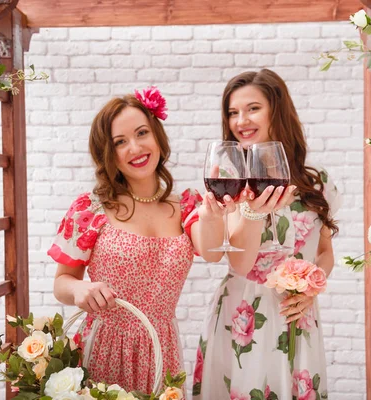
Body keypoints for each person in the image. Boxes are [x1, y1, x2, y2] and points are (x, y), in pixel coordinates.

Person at [48, 87, 232, 394]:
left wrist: (213, 214)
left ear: (157, 135)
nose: (135, 147)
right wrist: (80, 288)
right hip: (104, 345)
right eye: (120, 142)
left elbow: (212, 253)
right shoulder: (91, 209)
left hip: (163, 348)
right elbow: (62, 283)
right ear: (109, 153)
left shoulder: (185, 206)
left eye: (142, 133)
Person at [191, 69, 342, 399]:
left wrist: (311, 290)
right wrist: (252, 211)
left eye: (252, 108)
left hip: (296, 314)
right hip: (243, 310)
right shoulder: (229, 178)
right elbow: (240, 264)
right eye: (232, 112)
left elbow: (324, 253)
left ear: (277, 109)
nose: (240, 120)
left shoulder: (317, 184)